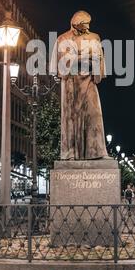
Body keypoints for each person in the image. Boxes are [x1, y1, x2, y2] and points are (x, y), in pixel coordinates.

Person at [50, 10, 109, 160]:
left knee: (94, 114)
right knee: (71, 118)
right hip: (71, 84)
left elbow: (100, 63)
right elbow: (62, 65)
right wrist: (84, 57)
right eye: (85, 25)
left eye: (89, 25)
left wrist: (95, 61)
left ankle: (97, 152)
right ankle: (71, 153)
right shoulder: (63, 38)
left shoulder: (95, 37)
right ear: (75, 24)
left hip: (89, 81)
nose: (88, 28)